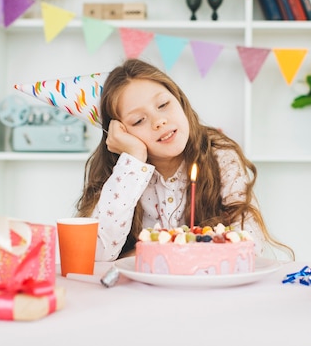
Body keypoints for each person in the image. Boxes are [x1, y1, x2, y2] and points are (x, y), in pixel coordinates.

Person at [76, 58, 293, 262]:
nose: (159, 121)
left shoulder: (220, 154)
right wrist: (133, 160)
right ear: (119, 133)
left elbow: (251, 245)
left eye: (163, 105)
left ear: (180, 100)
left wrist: (155, 252)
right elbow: (98, 254)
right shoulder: (120, 171)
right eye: (139, 120)